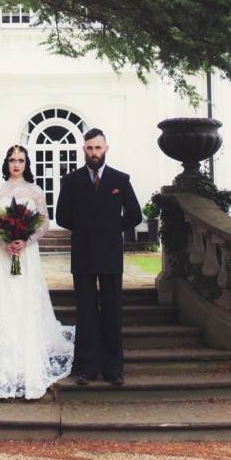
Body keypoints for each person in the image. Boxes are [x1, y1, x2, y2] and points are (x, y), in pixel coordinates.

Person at [0, 145, 74, 399]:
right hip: (2, 252)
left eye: (20, 160)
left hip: (26, 254)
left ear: (27, 163)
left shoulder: (35, 191)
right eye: (12, 160)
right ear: (6, 163)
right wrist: (4, 240)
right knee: (4, 296)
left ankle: (27, 344)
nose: (16, 164)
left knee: (24, 296)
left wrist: (24, 241)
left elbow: (44, 222)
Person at [55, 128, 141, 386]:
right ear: (84, 149)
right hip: (82, 254)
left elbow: (135, 215)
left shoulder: (120, 180)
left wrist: (111, 228)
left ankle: (114, 368)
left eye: (98, 148)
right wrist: (85, 229)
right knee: (86, 312)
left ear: (106, 149)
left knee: (113, 311)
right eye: (90, 148)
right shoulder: (71, 181)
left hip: (111, 254)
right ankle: (86, 367)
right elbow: (61, 216)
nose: (94, 153)